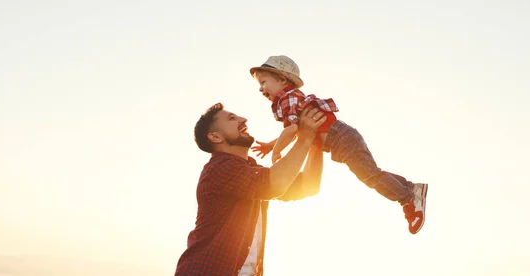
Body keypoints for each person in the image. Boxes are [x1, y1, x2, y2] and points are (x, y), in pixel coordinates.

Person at [249, 55, 429, 234]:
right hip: (343, 137)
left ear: (281, 79)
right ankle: (412, 188)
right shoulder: (290, 98)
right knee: (373, 173)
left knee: (370, 176)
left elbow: (291, 130)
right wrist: (271, 145)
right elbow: (297, 132)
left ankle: (408, 199)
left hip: (341, 139)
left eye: (263, 82)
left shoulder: (287, 100)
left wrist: (276, 151)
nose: (260, 89)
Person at [174, 102, 327, 276]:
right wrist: (305, 137)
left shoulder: (249, 171)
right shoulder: (219, 168)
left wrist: (316, 143)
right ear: (215, 137)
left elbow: (308, 186)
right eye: (232, 118)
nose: (243, 119)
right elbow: (274, 184)